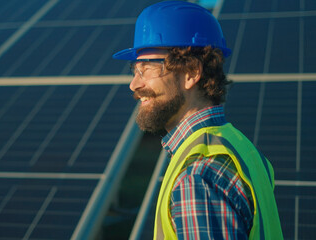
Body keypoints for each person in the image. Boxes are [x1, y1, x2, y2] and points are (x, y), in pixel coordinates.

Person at [112, 1, 283, 239]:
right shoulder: (242, 148)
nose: (134, 84)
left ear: (191, 72)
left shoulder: (198, 176)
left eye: (147, 69)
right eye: (134, 70)